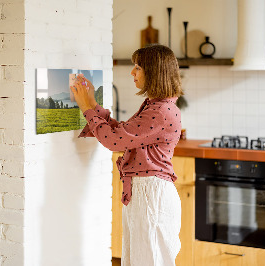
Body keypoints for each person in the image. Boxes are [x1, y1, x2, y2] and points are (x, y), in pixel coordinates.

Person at [70, 44, 183, 266]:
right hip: (146, 193)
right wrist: (92, 103)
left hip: (151, 195)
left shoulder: (160, 111)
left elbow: (114, 141)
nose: (132, 72)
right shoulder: (156, 106)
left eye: (138, 67)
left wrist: (86, 107)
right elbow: (122, 133)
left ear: (154, 71)